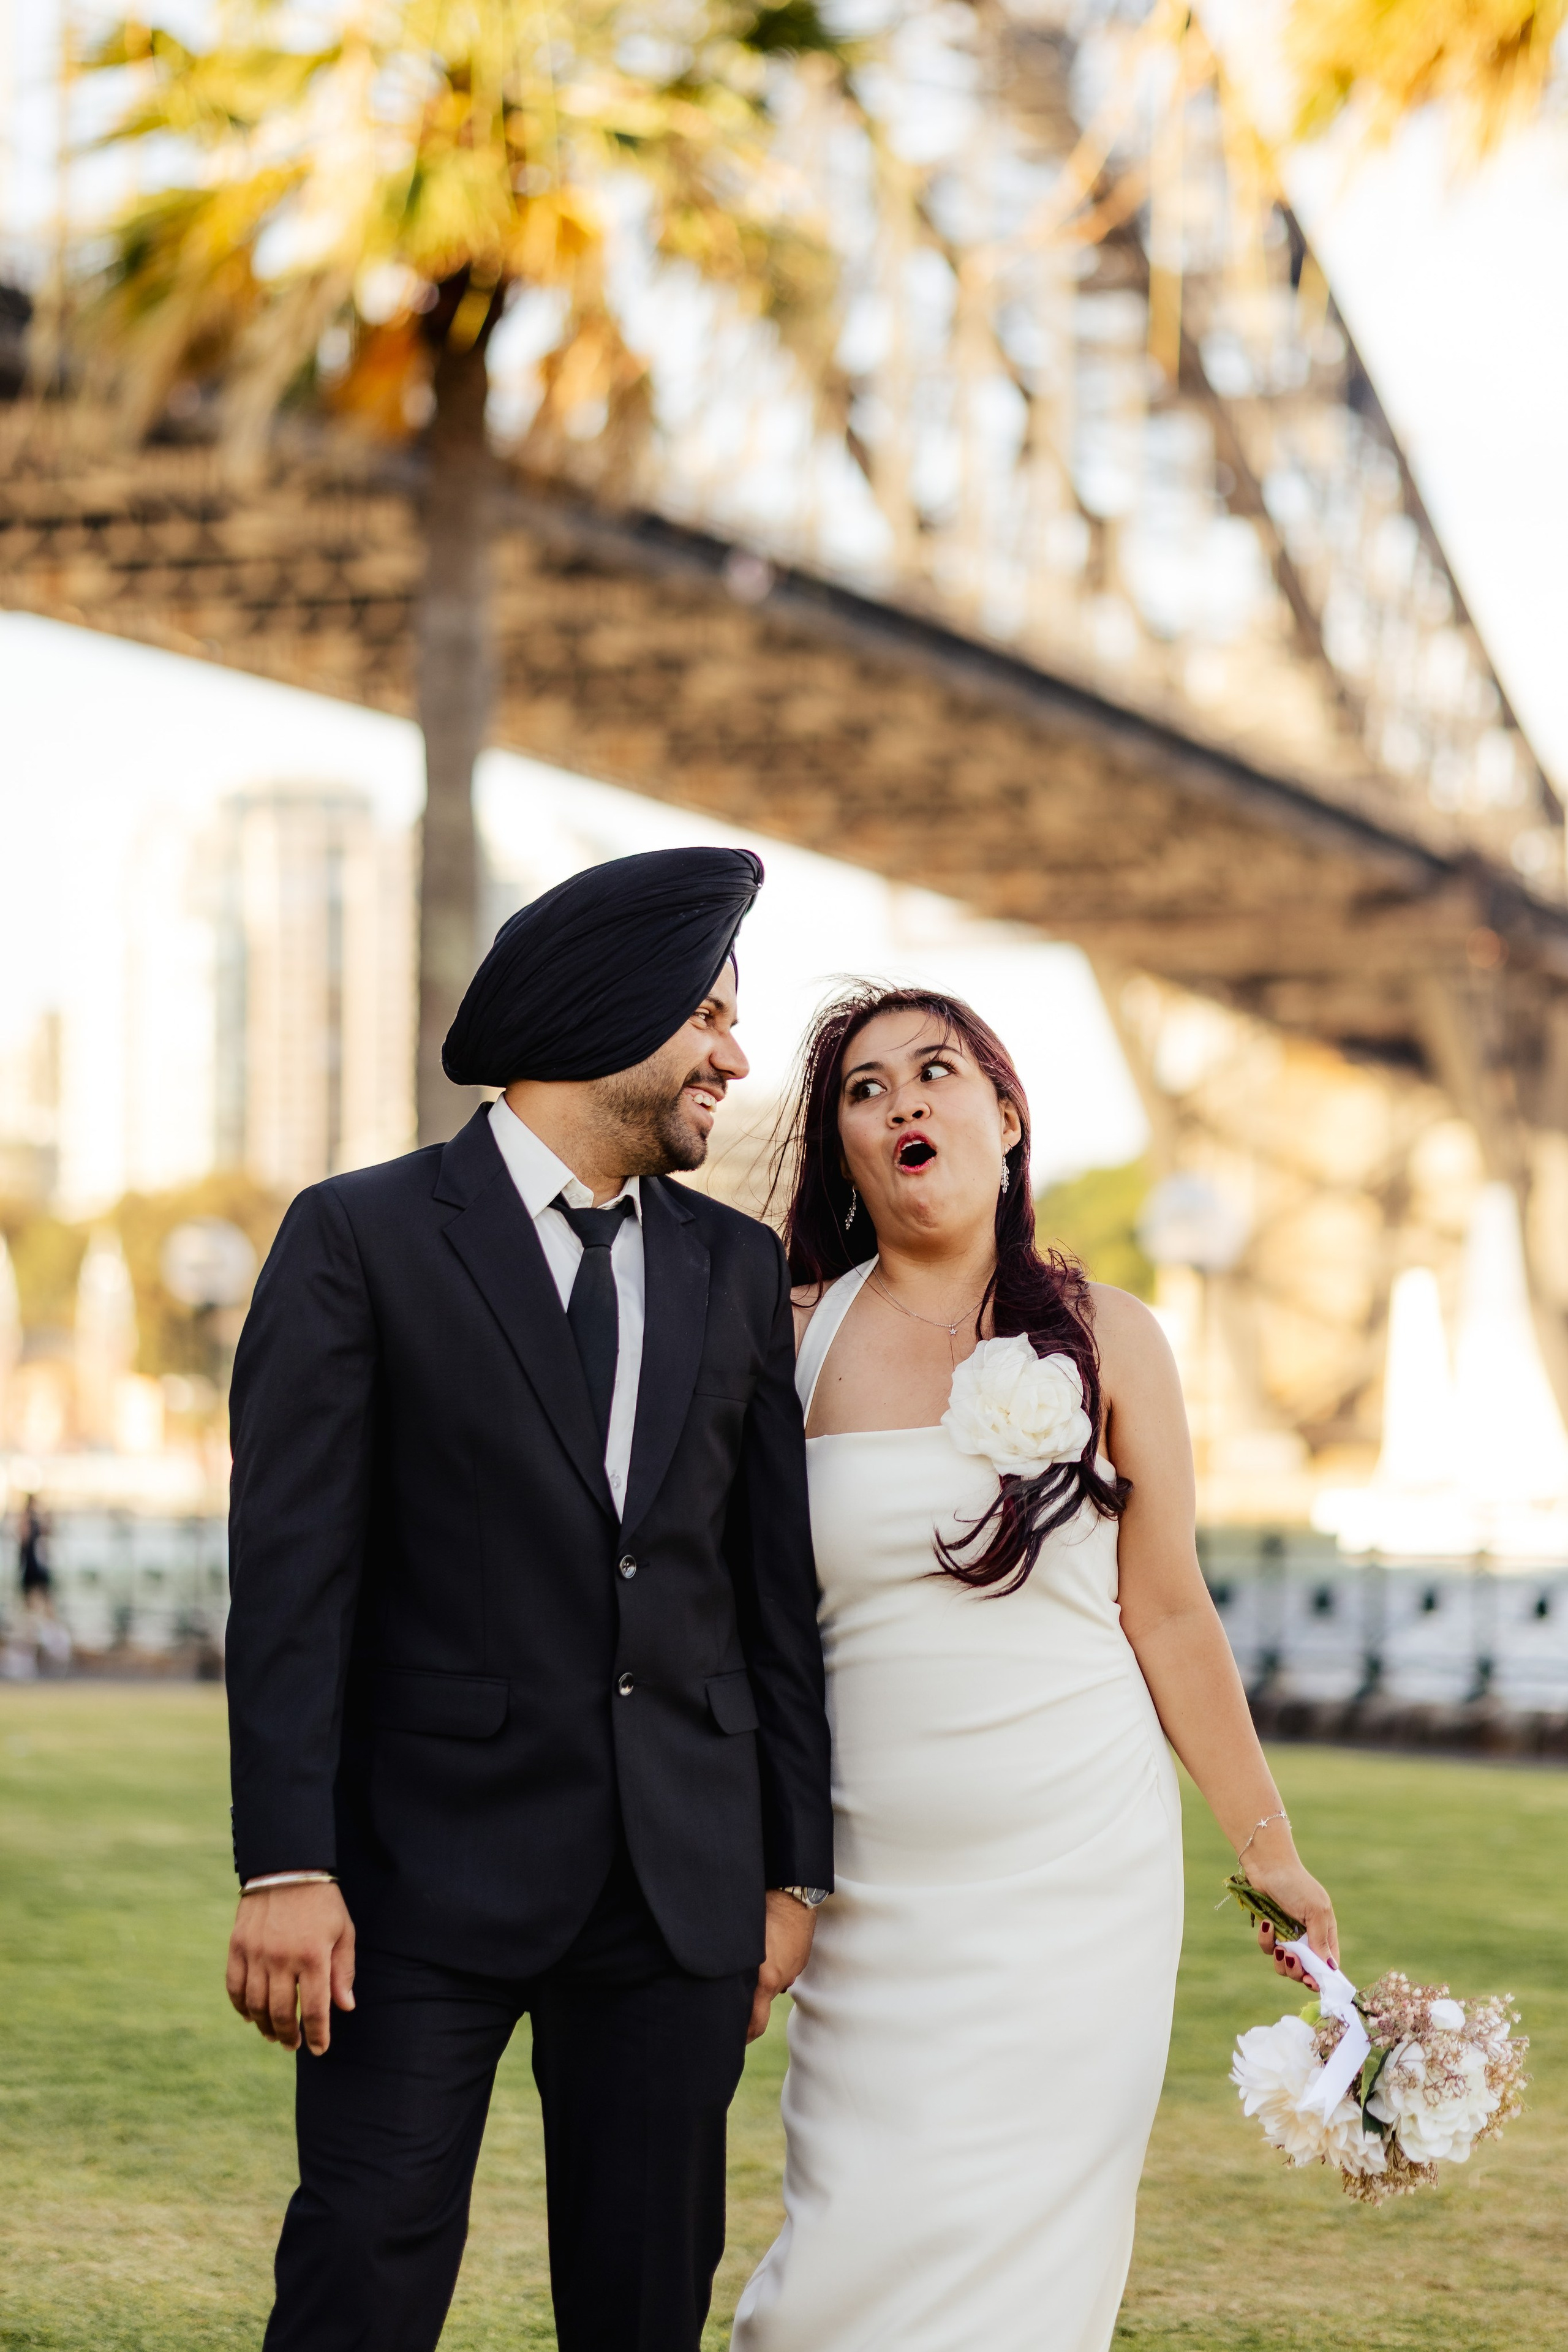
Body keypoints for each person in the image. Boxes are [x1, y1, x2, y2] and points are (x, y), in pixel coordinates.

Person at [224, 846, 834, 2352]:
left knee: (643, 2307)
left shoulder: (733, 1268)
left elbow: (770, 1597)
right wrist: (285, 1864)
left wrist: (788, 1878)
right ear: (602, 1015)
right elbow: (293, 1581)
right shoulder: (357, 1237)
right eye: (706, 1017)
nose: (733, 1058)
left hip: (675, 1893)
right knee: (361, 2278)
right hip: (412, 1883)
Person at [732, 985, 1338, 2352]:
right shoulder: (787, 1333)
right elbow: (740, 1629)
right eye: (865, 1089)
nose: (902, 1102)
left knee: (1034, 2265)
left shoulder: (1113, 1335)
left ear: (1005, 1118)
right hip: (866, 1885)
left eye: (935, 1072)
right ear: (843, 1149)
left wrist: (1272, 1850)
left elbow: (1168, 1613)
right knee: (844, 2251)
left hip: (1080, 1887)